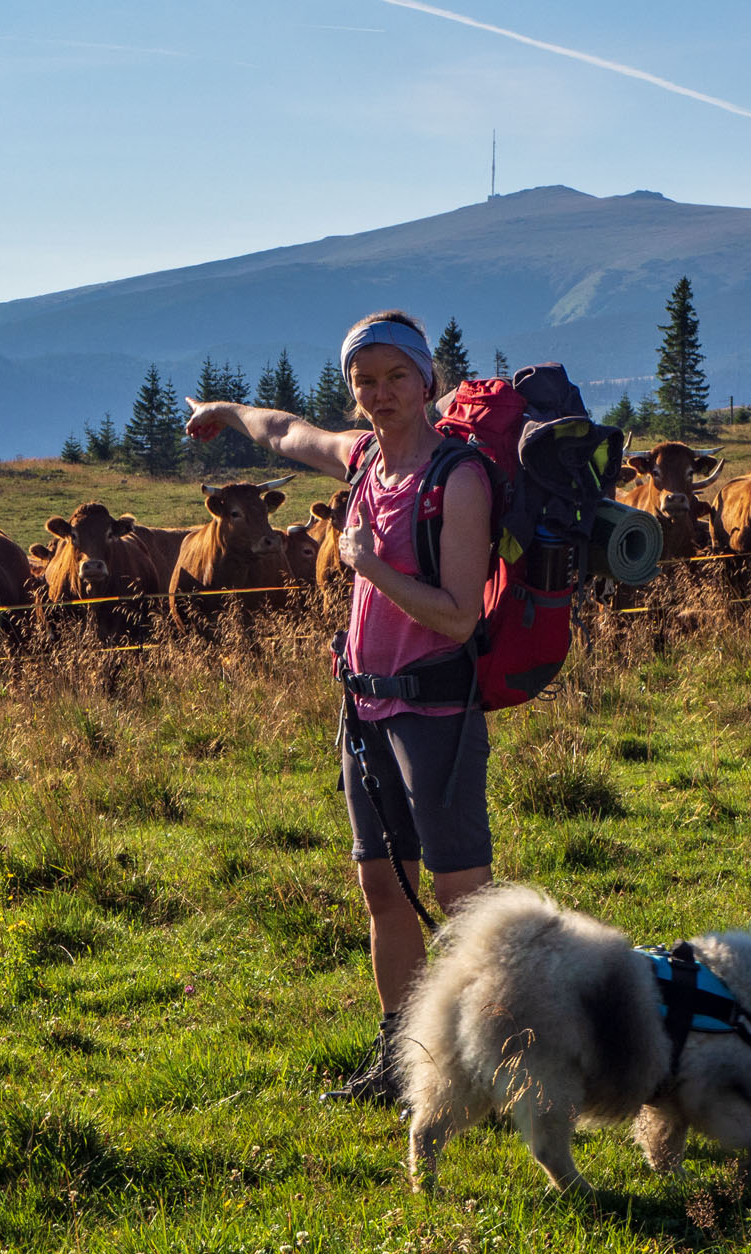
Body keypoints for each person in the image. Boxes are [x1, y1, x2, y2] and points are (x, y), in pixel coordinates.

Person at [184, 310, 494, 1105]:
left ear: (426, 381)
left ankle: (486, 1060)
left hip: (435, 715)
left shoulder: (457, 478)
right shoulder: (363, 461)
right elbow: (286, 430)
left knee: (464, 903)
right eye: (365, 381)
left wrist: (366, 561)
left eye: (396, 378)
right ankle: (403, 1060)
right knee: (384, 890)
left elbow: (459, 615)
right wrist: (224, 411)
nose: (380, 393)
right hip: (365, 713)